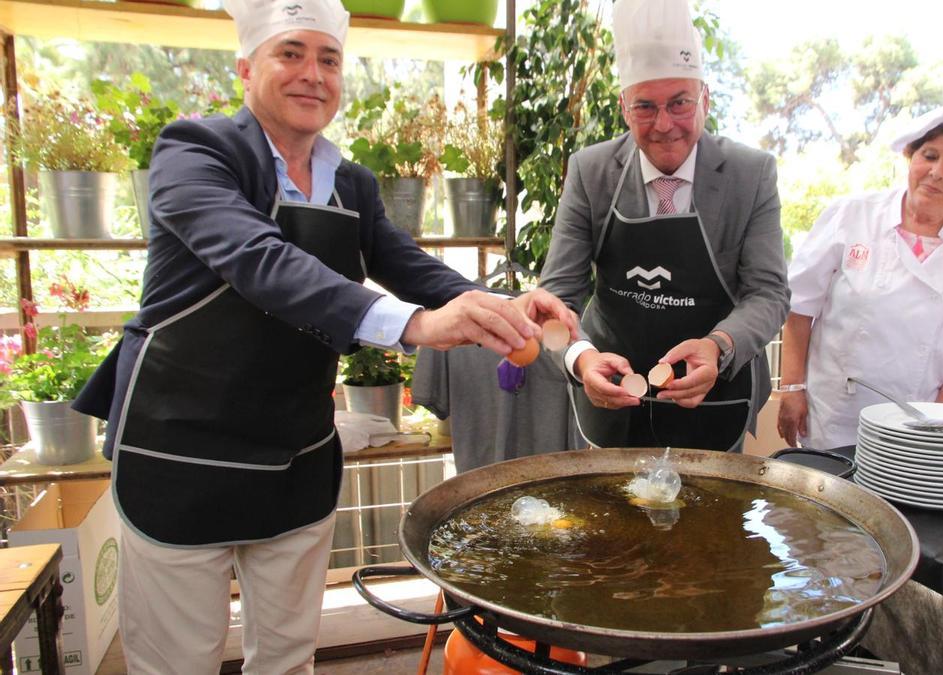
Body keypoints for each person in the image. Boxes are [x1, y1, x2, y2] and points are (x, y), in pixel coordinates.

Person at [70, 0, 576, 671]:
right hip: (182, 457)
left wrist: (505, 305)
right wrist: (417, 327)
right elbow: (259, 260)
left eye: (329, 59)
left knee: (287, 657)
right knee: (177, 662)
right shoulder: (194, 153)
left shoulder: (352, 184)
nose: (313, 73)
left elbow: (409, 266)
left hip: (295, 454)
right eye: (292, 54)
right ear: (247, 68)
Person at [538, 0, 789, 453]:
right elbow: (557, 296)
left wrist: (718, 346)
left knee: (713, 522)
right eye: (645, 107)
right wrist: (580, 357)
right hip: (613, 398)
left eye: (679, 103)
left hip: (716, 395)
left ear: (705, 99)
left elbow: (768, 293)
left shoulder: (750, 175)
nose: (664, 125)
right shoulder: (590, 172)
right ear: (623, 107)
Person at [776, 101, 943, 450]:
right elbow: (798, 308)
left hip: (915, 422)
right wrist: (791, 388)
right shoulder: (852, 215)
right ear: (911, 156)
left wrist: (936, 432)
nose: (938, 172)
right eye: (930, 155)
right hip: (832, 414)